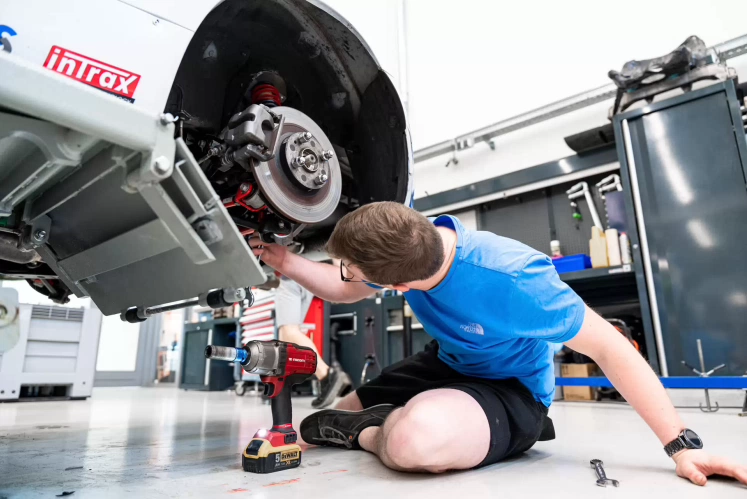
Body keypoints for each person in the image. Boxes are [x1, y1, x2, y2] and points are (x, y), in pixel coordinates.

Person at [251, 202, 747, 484]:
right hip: (447, 362)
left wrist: (681, 445)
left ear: (399, 287)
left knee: (410, 442)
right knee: (316, 426)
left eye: (353, 269)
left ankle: (371, 429)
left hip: (512, 388)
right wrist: (281, 259)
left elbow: (611, 348)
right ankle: (371, 414)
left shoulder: (514, 279)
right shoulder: (409, 241)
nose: (347, 276)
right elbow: (342, 287)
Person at [275, 274, 351, 408]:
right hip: (305, 276)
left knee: (289, 330)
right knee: (285, 337)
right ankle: (280, 386)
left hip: (290, 275)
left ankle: (326, 374)